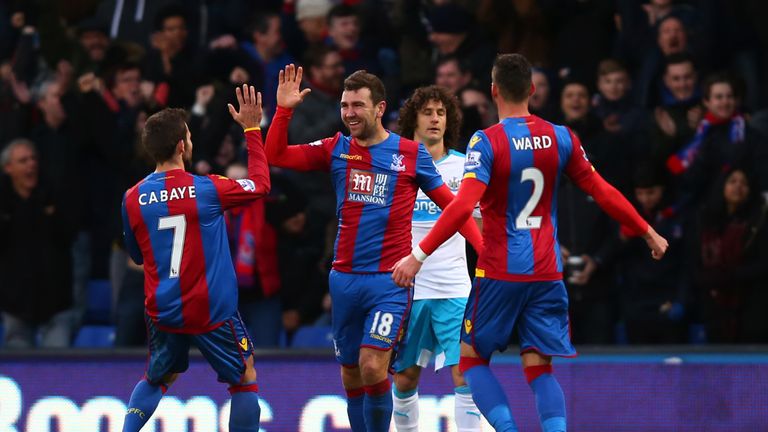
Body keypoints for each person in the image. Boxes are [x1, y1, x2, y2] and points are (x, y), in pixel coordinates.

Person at [392, 54, 669, 432]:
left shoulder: (486, 141)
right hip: (547, 272)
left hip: (501, 270)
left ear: (493, 92)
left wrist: (418, 255)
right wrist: (647, 231)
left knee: (471, 360)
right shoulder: (561, 137)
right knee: (539, 367)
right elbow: (602, 192)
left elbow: (461, 206)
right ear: (533, 90)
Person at [265, 64, 483, 432]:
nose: (349, 113)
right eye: (345, 105)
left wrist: (486, 255)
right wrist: (284, 110)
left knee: (372, 366)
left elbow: (455, 210)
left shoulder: (410, 154)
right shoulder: (336, 148)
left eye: (357, 105)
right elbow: (277, 155)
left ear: (379, 109)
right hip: (344, 281)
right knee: (351, 376)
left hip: (389, 284)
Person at [120, 84, 270, 432]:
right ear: (181, 146)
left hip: (164, 309)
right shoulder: (208, 189)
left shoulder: (131, 198)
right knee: (244, 379)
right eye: (188, 135)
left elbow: (136, 256)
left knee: (157, 378)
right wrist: (251, 130)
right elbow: (261, 184)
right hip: (211, 309)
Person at [391, 85, 482, 432]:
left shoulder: (464, 168)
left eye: (441, 113)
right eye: (427, 112)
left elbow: (479, 225)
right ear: (413, 118)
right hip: (409, 288)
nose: (434, 119)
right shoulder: (397, 166)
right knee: (405, 378)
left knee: (466, 373)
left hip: (456, 287)